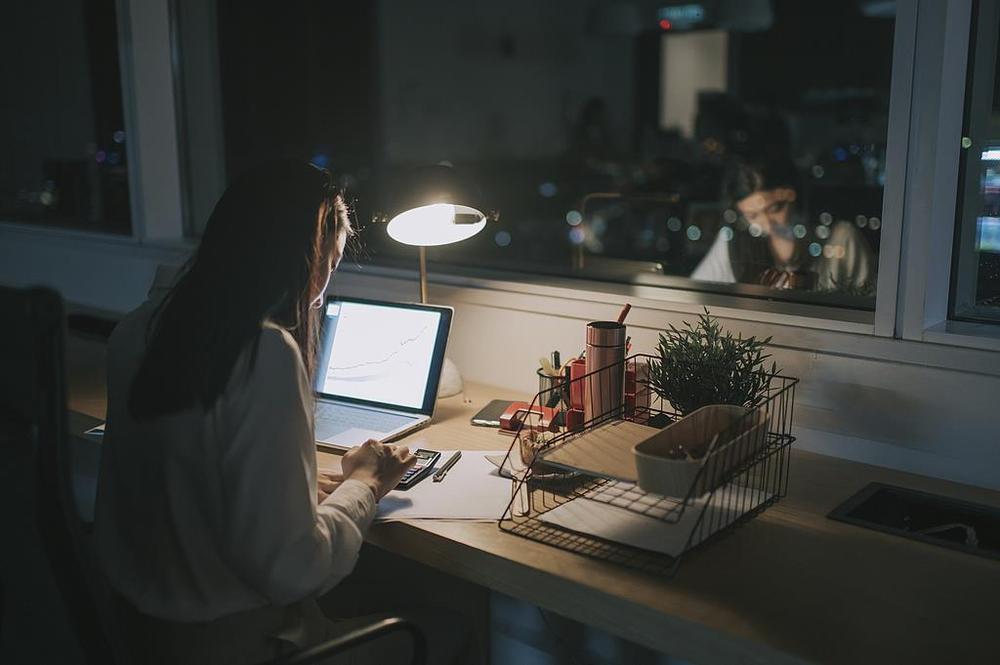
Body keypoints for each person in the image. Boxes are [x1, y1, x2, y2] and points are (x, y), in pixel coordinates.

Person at [94, 162, 461, 664]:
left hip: (140, 637)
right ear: (306, 257)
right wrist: (367, 484)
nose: (321, 291)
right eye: (329, 264)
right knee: (449, 625)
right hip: (237, 649)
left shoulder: (138, 330)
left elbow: (197, 478)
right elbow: (294, 570)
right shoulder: (262, 353)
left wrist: (295, 492)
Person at [691, 156, 875, 292]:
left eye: (775, 208)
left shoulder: (841, 239)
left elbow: (869, 310)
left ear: (793, 195)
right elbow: (696, 294)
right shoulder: (735, 241)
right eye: (753, 215)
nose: (768, 224)